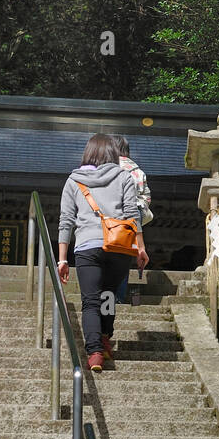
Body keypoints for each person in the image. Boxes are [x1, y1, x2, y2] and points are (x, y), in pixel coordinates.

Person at [57, 134, 148, 372]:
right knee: (108, 294)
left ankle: (95, 352)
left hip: (87, 245)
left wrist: (63, 259)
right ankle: (106, 337)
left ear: (88, 153)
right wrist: (140, 247)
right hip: (118, 246)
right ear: (112, 154)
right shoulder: (124, 177)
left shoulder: (73, 180)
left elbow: (66, 221)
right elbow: (132, 214)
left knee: (90, 302)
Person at [111, 135, 152, 304]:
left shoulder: (107, 168)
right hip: (130, 224)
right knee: (123, 259)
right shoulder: (138, 171)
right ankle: (118, 299)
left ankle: (103, 300)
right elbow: (146, 199)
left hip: (109, 221)